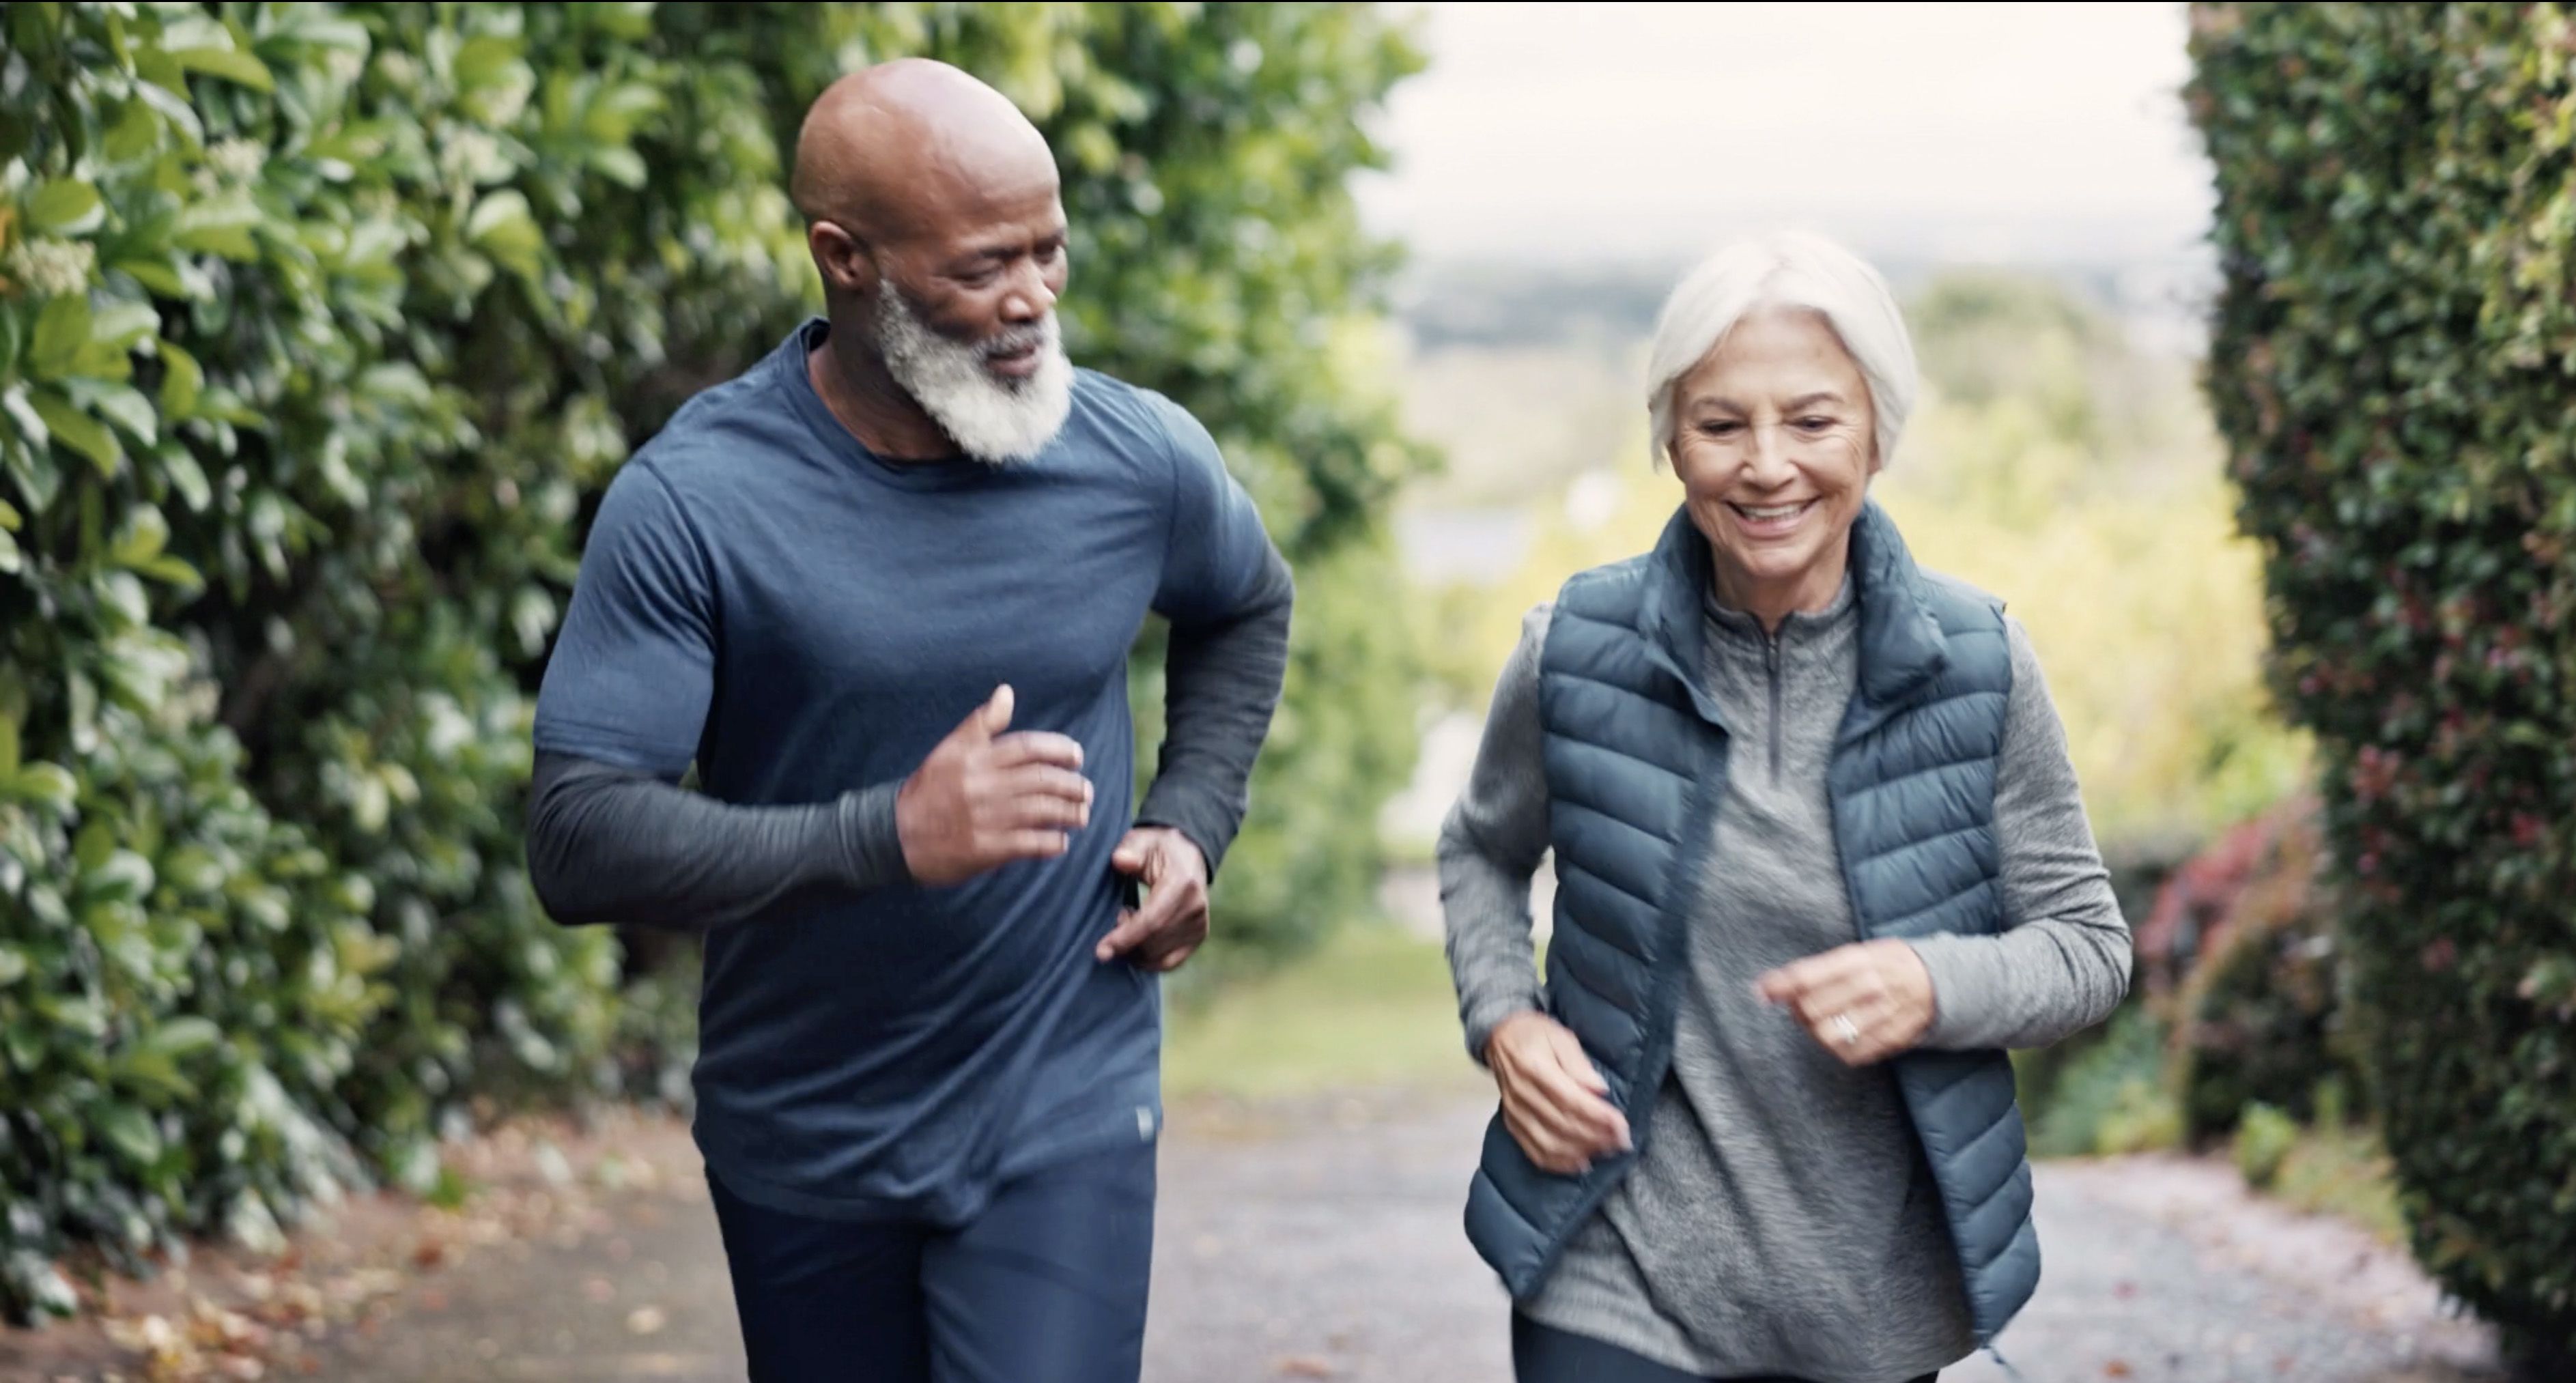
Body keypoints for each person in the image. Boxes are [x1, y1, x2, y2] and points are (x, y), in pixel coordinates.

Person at [524, 58, 1292, 1383]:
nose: (1034, 299)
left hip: (1064, 1099)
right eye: (985, 265)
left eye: (1051, 251)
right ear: (845, 258)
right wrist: (887, 833)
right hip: (806, 1129)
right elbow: (580, 835)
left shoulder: (1134, 457)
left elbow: (1246, 606)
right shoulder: (696, 501)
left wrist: (1189, 819)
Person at [1438, 232, 2132, 1383]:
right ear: (1671, 439)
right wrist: (1507, 1020)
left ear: (1876, 431)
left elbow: (2088, 949)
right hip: (1617, 1271)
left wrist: (1933, 982)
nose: (1767, 466)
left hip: (1870, 1308)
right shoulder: (1575, 650)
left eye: (1811, 421)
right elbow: (1480, 847)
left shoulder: (1981, 666)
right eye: (1722, 424)